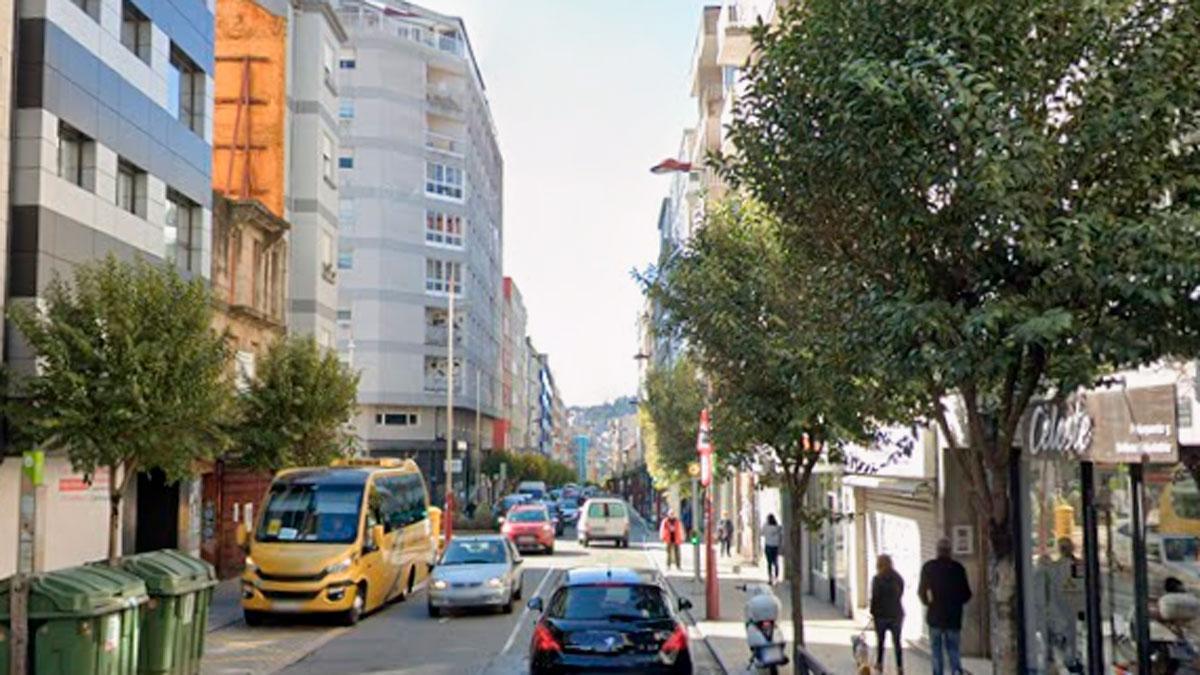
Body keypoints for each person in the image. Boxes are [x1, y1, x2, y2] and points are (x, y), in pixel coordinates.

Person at [919, 537, 974, 675]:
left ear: (937, 551)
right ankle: (956, 672)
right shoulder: (958, 569)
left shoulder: (928, 567)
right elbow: (967, 594)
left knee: (936, 651)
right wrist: (956, 603)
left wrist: (929, 603)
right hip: (953, 618)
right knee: (953, 650)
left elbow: (921, 591)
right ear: (950, 551)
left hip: (935, 616)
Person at [870, 554, 905, 675]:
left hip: (881, 616)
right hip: (896, 614)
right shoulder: (898, 577)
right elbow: (901, 592)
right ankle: (900, 667)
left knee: (880, 641)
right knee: (897, 643)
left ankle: (879, 664)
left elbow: (875, 598)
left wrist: (873, 613)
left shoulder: (877, 579)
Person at [762, 514, 783, 585]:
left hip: (768, 546)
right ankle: (776, 578)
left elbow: (762, 533)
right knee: (776, 562)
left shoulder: (766, 527)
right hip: (775, 546)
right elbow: (781, 536)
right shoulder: (778, 527)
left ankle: (770, 578)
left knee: (769, 563)